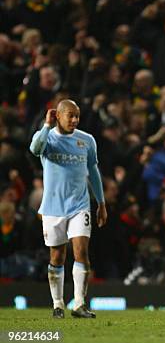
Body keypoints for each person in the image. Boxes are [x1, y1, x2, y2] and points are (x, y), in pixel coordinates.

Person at [29, 99, 107, 319]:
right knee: (57, 256)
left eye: (77, 116)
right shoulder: (47, 138)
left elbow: (93, 171)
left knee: (81, 251)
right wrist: (46, 125)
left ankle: (79, 304)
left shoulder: (86, 140)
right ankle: (58, 303)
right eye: (70, 115)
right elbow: (35, 149)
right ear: (58, 116)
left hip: (79, 205)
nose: (74, 120)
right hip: (53, 207)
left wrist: (101, 203)